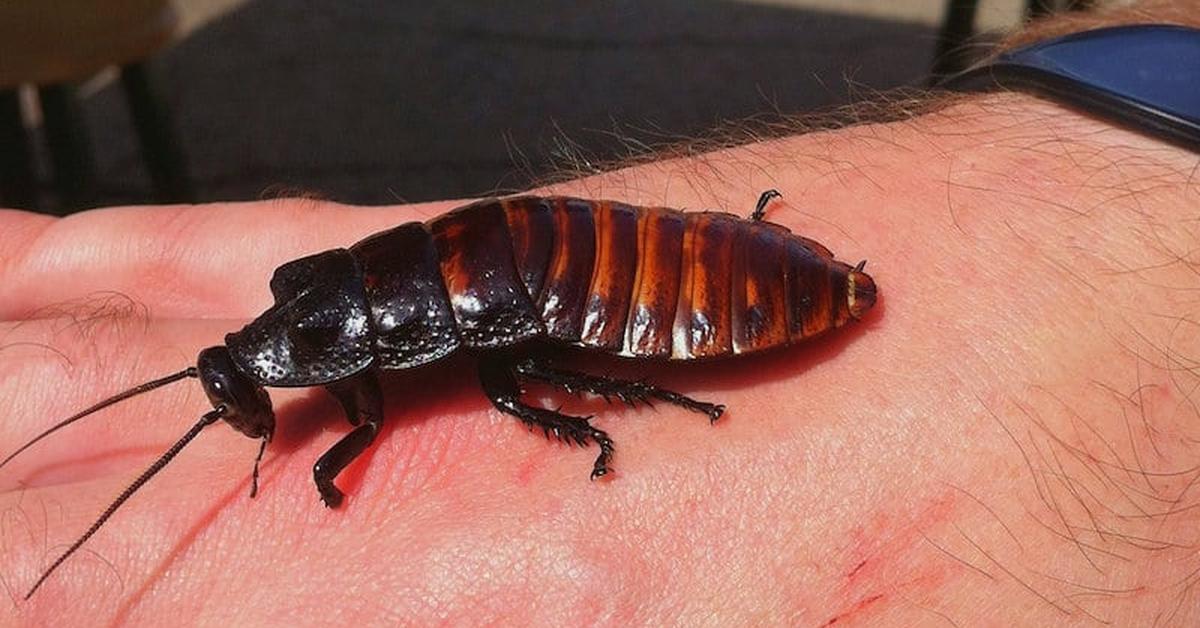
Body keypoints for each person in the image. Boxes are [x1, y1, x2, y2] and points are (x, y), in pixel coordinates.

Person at [2, 2, 1197, 624]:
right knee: (528, 353)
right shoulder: (334, 328)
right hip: (549, 250)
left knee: (520, 370)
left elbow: (495, 376)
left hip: (604, 275)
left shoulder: (352, 357)